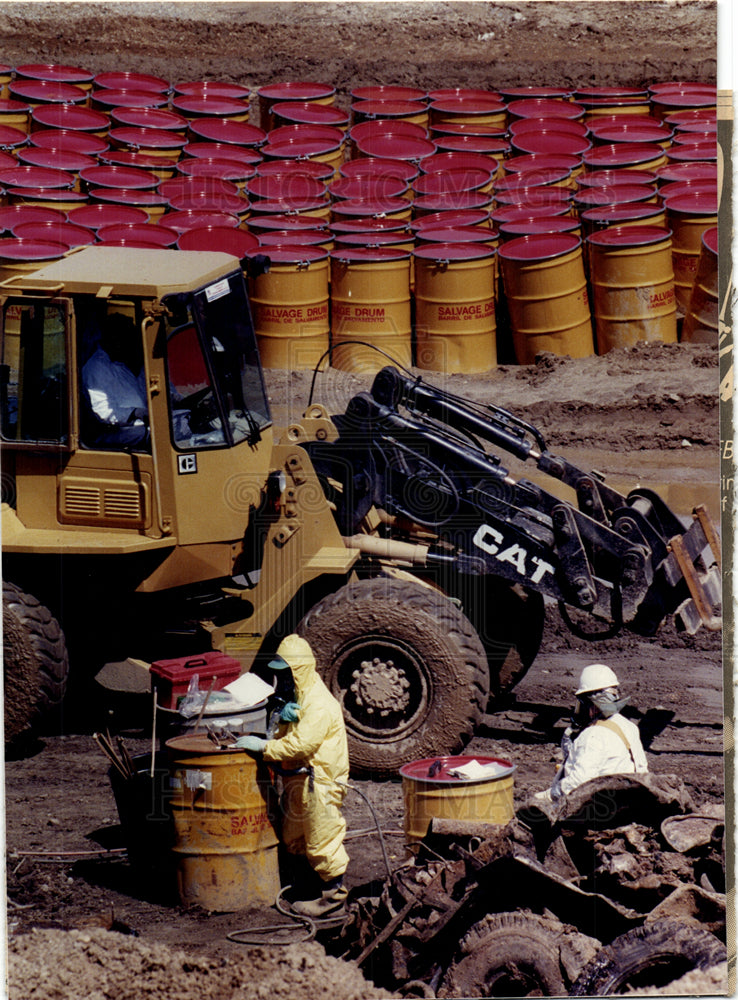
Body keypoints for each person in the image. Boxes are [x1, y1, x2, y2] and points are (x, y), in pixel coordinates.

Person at [234, 634, 350, 916]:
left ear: (298, 671)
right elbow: (289, 738)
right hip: (299, 778)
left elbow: (302, 745)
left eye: (286, 673)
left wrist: (263, 746)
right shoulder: (300, 699)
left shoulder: (318, 703)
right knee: (294, 834)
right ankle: (307, 887)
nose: (282, 680)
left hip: (319, 781)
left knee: (322, 837)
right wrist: (279, 719)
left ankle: (333, 900)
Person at [534, 663, 648, 804]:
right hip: (633, 801)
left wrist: (549, 795)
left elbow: (578, 782)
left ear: (590, 703)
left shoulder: (591, 735)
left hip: (603, 808)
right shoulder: (630, 727)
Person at [81, 312, 149, 449]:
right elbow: (103, 411)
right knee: (150, 435)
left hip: (135, 424)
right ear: (113, 338)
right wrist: (135, 413)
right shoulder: (96, 367)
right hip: (113, 432)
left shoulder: (120, 364)